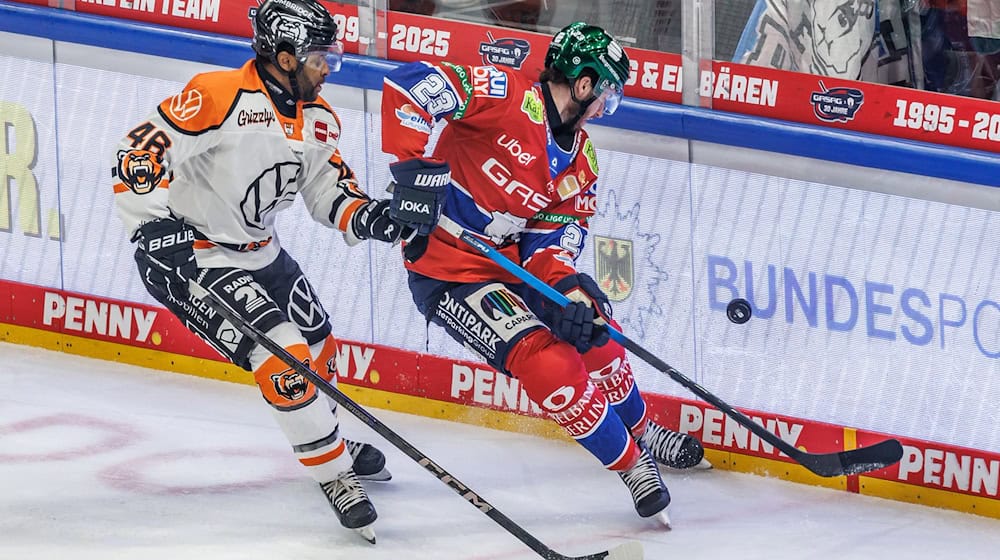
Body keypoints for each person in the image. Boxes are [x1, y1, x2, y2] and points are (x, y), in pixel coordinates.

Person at [380, 21, 706, 525]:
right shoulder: (503, 94)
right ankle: (631, 464)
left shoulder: (582, 159)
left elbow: (552, 244)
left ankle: (641, 430)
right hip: (448, 272)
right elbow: (410, 86)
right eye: (606, 95)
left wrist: (567, 290)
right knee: (550, 366)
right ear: (582, 83)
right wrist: (411, 172)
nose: (605, 108)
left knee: (596, 328)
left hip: (512, 266)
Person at [111, 0, 407, 544]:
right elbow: (138, 154)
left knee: (319, 349)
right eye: (321, 58)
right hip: (195, 256)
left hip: (263, 252)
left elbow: (327, 193)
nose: (329, 68)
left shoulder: (319, 117)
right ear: (286, 56)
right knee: (285, 361)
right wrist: (150, 228)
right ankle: (335, 474)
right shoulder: (217, 93)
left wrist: (369, 216)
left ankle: (328, 438)